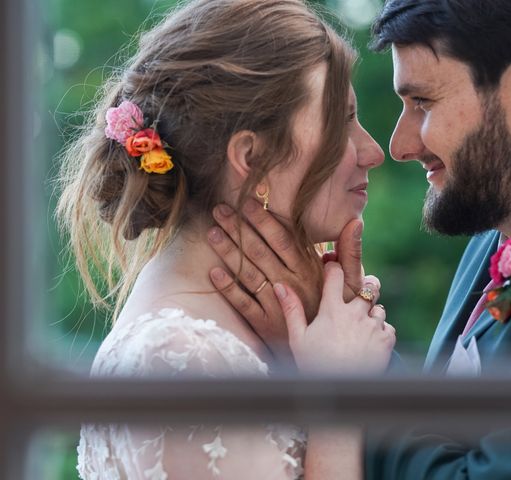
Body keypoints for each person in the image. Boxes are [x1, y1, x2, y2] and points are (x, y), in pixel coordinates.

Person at [208, 0, 511, 478]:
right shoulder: (499, 233)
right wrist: (341, 326)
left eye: (423, 103)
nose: (399, 145)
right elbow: (445, 434)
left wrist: (344, 381)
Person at [56, 0, 396, 478]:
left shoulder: (244, 326)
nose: (372, 152)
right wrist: (335, 395)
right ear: (252, 157)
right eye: (341, 122)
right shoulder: (179, 360)